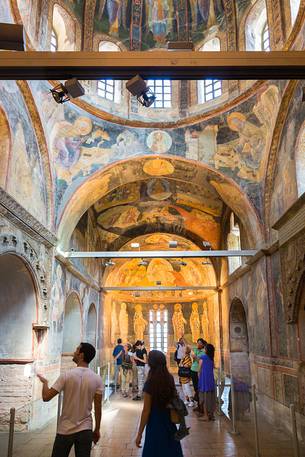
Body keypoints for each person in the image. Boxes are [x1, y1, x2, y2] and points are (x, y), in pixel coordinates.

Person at [37, 342, 103, 457]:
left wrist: (45, 383)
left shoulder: (67, 376)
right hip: (85, 429)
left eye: (77, 350)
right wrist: (97, 430)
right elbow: (98, 408)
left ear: (81, 355)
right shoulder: (97, 379)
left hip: (65, 429)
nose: (74, 352)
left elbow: (46, 397)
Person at [135, 350, 183, 457]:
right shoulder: (169, 378)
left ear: (152, 363)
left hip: (155, 424)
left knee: (154, 451)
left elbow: (146, 411)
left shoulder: (150, 382)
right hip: (169, 423)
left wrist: (139, 434)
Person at [198, 343, 216, 421]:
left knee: (204, 397)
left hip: (204, 379)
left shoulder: (203, 357)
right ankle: (211, 415)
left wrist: (199, 377)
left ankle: (206, 415)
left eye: (205, 348)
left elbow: (199, 369)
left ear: (206, 350)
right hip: (211, 379)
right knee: (211, 397)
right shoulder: (211, 358)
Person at [190, 338, 207, 405]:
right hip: (193, 370)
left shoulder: (204, 352)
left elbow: (199, 361)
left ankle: (200, 402)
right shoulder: (196, 349)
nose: (198, 344)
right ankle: (198, 402)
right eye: (197, 343)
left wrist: (194, 357)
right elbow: (189, 346)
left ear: (203, 344)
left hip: (199, 371)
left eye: (200, 343)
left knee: (198, 387)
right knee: (195, 386)